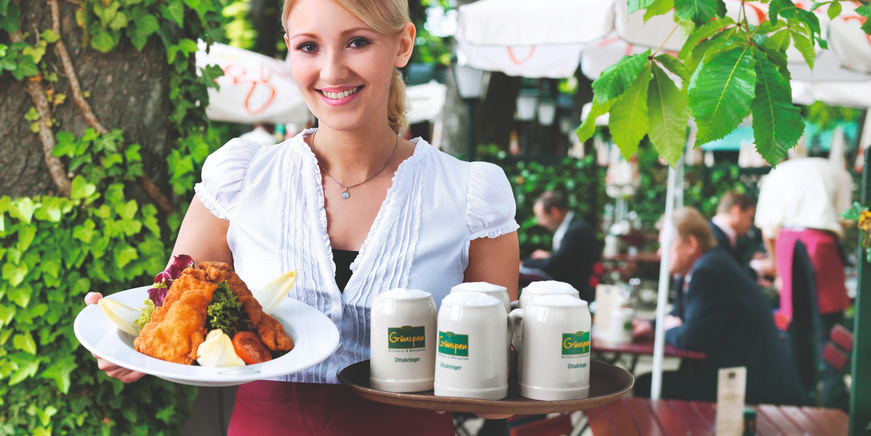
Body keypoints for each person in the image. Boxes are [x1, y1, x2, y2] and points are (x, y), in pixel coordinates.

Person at [86, 0, 520, 433]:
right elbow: (171, 308)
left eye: (358, 42)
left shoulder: (470, 195)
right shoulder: (241, 177)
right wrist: (121, 341)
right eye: (309, 46)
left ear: (403, 45)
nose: (331, 71)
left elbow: (493, 386)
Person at [632, 207, 806, 406]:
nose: (659, 252)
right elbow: (682, 314)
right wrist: (653, 325)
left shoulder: (709, 271)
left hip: (746, 391)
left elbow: (691, 340)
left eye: (666, 245)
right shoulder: (697, 268)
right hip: (727, 377)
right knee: (650, 382)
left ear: (691, 244)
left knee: (647, 384)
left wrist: (667, 328)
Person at [754, 156, 852, 409]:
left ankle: (799, 392)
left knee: (793, 323)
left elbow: (767, 229)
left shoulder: (777, 173)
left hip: (787, 242)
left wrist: (778, 271)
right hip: (822, 242)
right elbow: (845, 218)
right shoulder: (835, 170)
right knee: (830, 322)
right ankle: (833, 393)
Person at [520, 190, 600, 302]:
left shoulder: (575, 232)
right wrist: (550, 255)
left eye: (542, 217)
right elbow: (568, 257)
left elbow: (555, 263)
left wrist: (524, 263)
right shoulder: (573, 226)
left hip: (578, 296)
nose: (540, 223)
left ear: (555, 212)